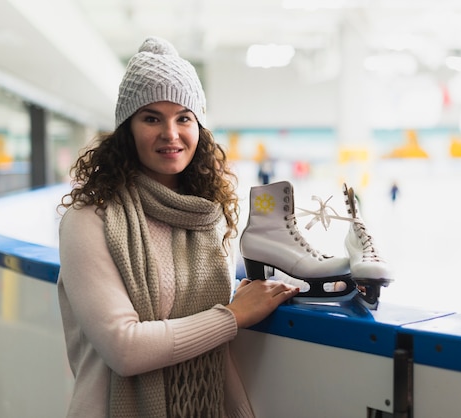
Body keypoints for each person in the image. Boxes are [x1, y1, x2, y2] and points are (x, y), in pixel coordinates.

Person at [56, 36, 299, 418]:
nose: (171, 133)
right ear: (127, 129)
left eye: (183, 117)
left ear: (198, 127)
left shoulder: (210, 218)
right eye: (152, 117)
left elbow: (214, 351)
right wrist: (234, 315)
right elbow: (125, 348)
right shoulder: (89, 220)